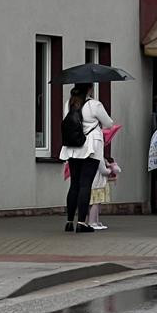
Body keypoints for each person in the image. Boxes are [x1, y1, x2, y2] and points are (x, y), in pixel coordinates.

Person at [59, 85, 112, 234]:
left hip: (73, 147)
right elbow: (109, 123)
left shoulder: (68, 104)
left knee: (74, 184)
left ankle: (69, 222)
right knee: (85, 184)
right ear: (89, 89)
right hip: (91, 148)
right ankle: (82, 223)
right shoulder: (94, 105)